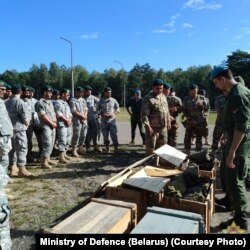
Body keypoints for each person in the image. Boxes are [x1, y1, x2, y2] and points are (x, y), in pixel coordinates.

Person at [210, 65, 250, 230]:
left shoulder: (238, 95)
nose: (215, 86)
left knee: (236, 180)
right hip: (233, 139)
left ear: (222, 79)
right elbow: (233, 122)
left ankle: (241, 220)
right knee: (228, 176)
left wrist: (232, 152)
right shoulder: (234, 93)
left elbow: (242, 127)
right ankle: (231, 202)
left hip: (238, 144)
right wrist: (227, 137)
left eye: (215, 82)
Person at [5, 84, 35, 177]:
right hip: (19, 129)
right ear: (21, 92)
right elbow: (24, 117)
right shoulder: (20, 102)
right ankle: (22, 169)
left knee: (12, 149)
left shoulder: (6, 102)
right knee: (22, 148)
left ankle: (12, 167)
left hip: (9, 129)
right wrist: (26, 124)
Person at [141, 79, 171, 156]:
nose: (159, 90)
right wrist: (147, 126)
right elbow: (144, 114)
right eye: (157, 88)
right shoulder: (148, 98)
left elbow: (166, 110)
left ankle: (159, 163)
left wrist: (168, 121)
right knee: (151, 148)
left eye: (161, 88)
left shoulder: (163, 96)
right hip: (153, 128)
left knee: (163, 148)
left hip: (163, 128)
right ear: (153, 88)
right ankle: (150, 164)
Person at [182, 84, 210, 155]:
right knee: (187, 137)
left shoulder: (203, 99)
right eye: (191, 91)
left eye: (194, 90)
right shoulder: (186, 99)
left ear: (197, 90)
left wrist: (203, 112)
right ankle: (187, 153)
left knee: (199, 137)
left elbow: (207, 110)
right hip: (190, 122)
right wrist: (190, 118)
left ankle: (198, 154)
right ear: (189, 91)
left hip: (199, 122)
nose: (193, 92)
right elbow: (184, 111)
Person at [36, 85, 57, 169]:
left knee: (51, 143)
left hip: (52, 125)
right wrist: (52, 123)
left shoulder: (50, 102)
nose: (51, 94)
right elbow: (43, 116)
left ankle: (48, 159)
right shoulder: (40, 103)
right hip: (46, 126)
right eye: (50, 92)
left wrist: (54, 120)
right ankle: (44, 162)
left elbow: (53, 113)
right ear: (45, 92)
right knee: (47, 143)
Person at [96, 87, 120, 153]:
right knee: (105, 136)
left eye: (110, 92)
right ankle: (107, 148)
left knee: (114, 134)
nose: (109, 93)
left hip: (112, 120)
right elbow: (97, 110)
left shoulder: (113, 100)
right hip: (104, 121)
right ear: (105, 92)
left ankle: (116, 148)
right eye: (107, 92)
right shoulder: (100, 101)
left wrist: (113, 114)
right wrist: (101, 114)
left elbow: (118, 109)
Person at [54, 88, 73, 163]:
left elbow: (70, 114)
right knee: (62, 140)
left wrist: (70, 120)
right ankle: (61, 156)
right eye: (67, 94)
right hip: (62, 124)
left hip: (68, 124)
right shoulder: (57, 102)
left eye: (69, 95)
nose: (69, 96)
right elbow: (58, 113)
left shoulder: (66, 103)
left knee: (68, 140)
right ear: (63, 94)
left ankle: (64, 154)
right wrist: (66, 120)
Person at [69, 86, 88, 157]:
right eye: (80, 92)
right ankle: (74, 149)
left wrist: (85, 116)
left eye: (82, 92)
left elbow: (86, 109)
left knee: (83, 135)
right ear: (76, 92)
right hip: (77, 120)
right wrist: (83, 117)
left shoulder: (83, 100)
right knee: (76, 135)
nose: (81, 93)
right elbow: (74, 111)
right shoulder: (72, 100)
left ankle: (80, 148)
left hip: (84, 121)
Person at [83, 85, 102, 153]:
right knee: (86, 133)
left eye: (90, 92)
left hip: (93, 119)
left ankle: (95, 146)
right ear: (84, 92)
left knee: (95, 133)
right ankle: (87, 147)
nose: (89, 93)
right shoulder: (81, 98)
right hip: (85, 119)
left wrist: (98, 113)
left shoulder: (93, 98)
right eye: (88, 92)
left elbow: (101, 105)